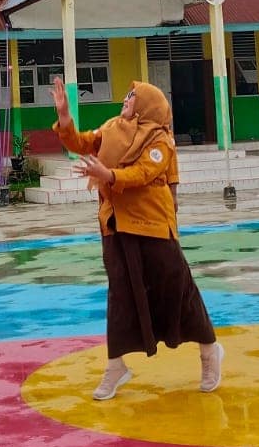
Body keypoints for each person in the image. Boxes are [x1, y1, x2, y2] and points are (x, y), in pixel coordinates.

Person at [50, 75, 223, 400]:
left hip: (154, 224)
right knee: (120, 293)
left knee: (177, 290)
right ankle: (116, 364)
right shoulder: (112, 127)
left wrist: (108, 175)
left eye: (131, 97)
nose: (125, 101)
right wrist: (64, 117)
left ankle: (209, 351)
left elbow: (144, 173)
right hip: (115, 223)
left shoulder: (161, 140)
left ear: (145, 107)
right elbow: (82, 143)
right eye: (127, 96)